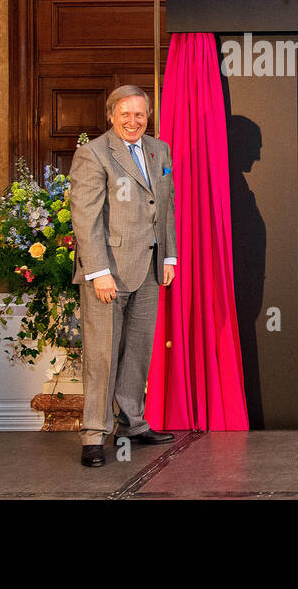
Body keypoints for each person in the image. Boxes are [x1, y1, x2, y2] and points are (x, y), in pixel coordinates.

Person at [69, 85, 178, 467]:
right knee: (102, 356)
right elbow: (86, 218)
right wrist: (98, 271)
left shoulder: (158, 150)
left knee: (136, 353)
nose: (134, 121)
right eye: (126, 114)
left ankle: (131, 424)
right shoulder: (93, 154)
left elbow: (164, 207)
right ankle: (94, 436)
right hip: (108, 273)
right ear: (111, 115)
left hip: (148, 270)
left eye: (140, 115)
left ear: (149, 116)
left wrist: (169, 256)